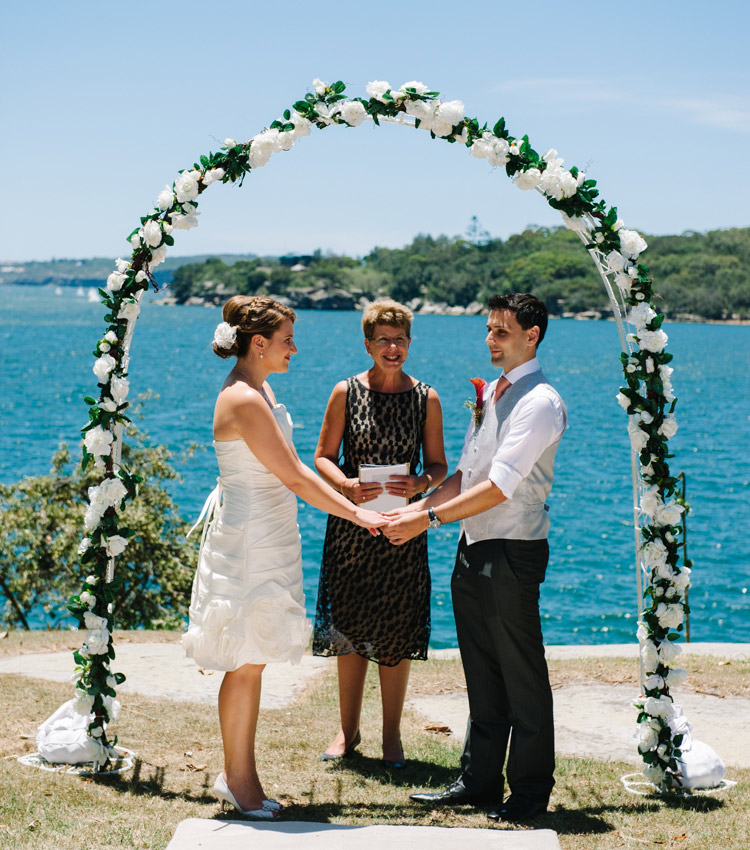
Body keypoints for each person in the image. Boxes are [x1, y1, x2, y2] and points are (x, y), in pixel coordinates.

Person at [182, 295, 389, 819]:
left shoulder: (261, 390)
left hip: (269, 531)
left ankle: (241, 777)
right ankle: (239, 783)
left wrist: (352, 494)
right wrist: (357, 515)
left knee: (253, 659)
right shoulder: (245, 399)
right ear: (258, 344)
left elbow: (296, 463)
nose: (294, 349)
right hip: (250, 537)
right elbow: (295, 477)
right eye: (287, 340)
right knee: (245, 660)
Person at [383, 293, 566, 822]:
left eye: (502, 332)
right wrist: (415, 511)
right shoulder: (493, 395)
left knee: (522, 677)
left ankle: (530, 794)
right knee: (482, 674)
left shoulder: (539, 401)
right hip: (473, 547)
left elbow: (502, 486)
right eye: (489, 330)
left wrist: (427, 520)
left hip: (513, 549)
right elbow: (465, 474)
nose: (491, 339)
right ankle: (479, 781)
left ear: (532, 336)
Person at [312, 299, 448, 767]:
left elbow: (438, 465)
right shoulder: (345, 392)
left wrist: (422, 484)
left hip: (403, 530)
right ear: (368, 344)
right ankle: (347, 734)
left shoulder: (426, 397)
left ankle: (392, 738)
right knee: (349, 631)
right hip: (352, 526)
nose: (393, 348)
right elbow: (322, 456)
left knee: (395, 632)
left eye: (401, 339)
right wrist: (347, 485)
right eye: (384, 340)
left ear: (410, 343)